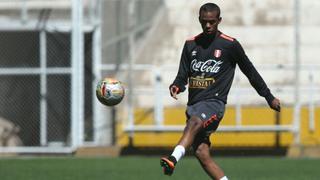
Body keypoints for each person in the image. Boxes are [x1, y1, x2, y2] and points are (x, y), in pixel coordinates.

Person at [160, 2, 281, 180]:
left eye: (212, 22)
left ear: (219, 20)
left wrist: (268, 96)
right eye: (204, 22)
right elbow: (182, 75)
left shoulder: (229, 45)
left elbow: (250, 71)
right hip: (194, 104)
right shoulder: (190, 45)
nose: (208, 25)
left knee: (193, 124)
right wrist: (176, 85)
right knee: (202, 153)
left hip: (214, 104)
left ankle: (173, 159)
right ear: (199, 20)